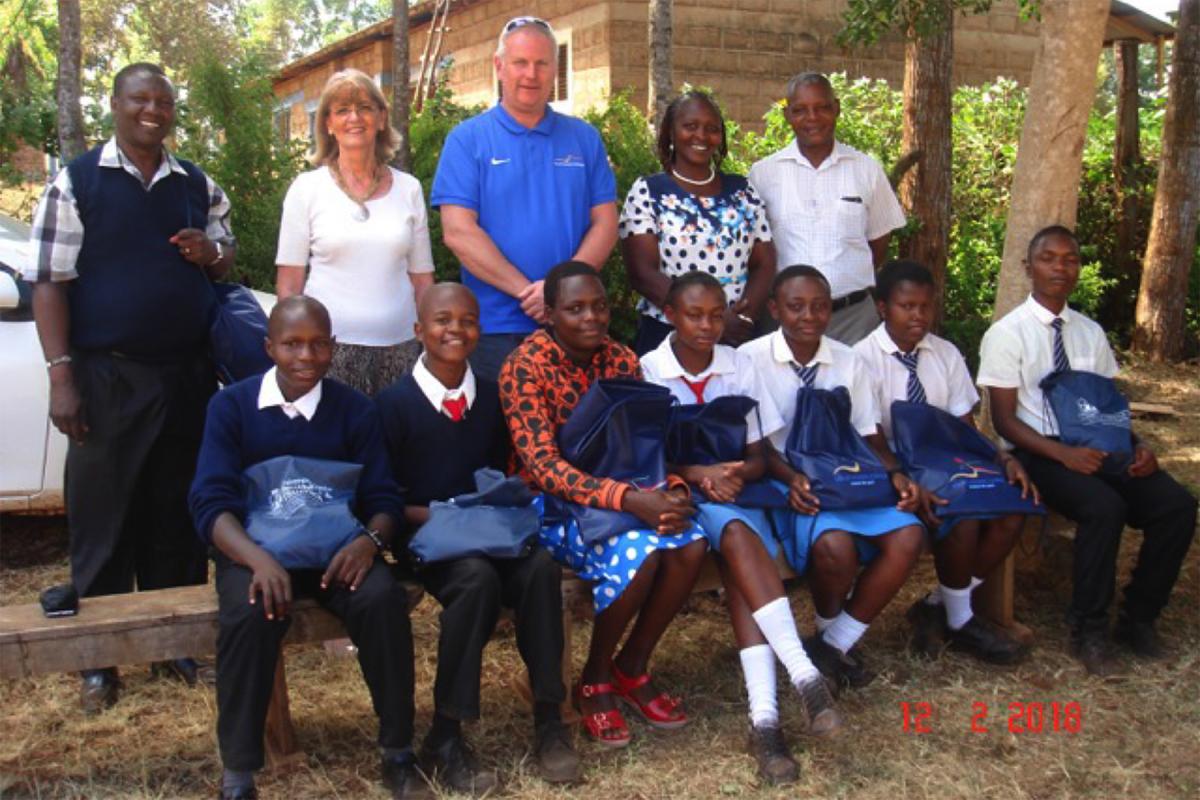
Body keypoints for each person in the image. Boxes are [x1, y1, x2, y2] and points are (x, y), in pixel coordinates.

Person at [25, 62, 235, 712]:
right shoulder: (78, 181)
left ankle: (176, 646)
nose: (152, 110)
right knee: (105, 519)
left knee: (175, 514)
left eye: (163, 101)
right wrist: (62, 376)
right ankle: (101, 661)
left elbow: (227, 258)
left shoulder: (196, 183)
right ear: (115, 105)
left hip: (186, 374)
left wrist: (211, 253)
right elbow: (49, 283)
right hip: (106, 373)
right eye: (139, 99)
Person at [189, 296, 423, 800]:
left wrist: (369, 542)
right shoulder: (231, 406)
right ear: (269, 346)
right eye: (292, 343)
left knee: (381, 600)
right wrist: (255, 559)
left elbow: (384, 497)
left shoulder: (355, 410)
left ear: (334, 348)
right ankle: (239, 772)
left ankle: (399, 752)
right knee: (248, 614)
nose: (306, 356)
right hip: (256, 551)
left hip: (336, 550)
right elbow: (210, 504)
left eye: (319, 344)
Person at [376, 283, 580, 791]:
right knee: (476, 581)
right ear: (419, 330)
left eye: (468, 320)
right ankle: (447, 732)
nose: (456, 330)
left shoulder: (490, 396)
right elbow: (380, 499)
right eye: (442, 321)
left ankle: (549, 719)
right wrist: (447, 514)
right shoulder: (391, 406)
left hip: (491, 530)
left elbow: (501, 473)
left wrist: (488, 510)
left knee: (539, 570)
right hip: (427, 538)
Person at [498, 261, 708, 748]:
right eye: (575, 309)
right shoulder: (524, 366)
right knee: (642, 549)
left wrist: (669, 487)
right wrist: (631, 500)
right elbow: (543, 465)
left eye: (599, 306)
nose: (591, 317)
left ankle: (631, 668)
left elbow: (641, 443)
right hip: (548, 504)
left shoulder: (621, 359)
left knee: (691, 543)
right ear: (548, 314)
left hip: (623, 492)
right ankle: (593, 679)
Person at [641, 272, 839, 785]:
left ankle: (766, 723)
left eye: (716, 314)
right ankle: (802, 672)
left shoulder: (740, 364)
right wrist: (699, 475)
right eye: (694, 314)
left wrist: (730, 474)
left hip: (740, 496)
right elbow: (647, 461)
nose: (708, 325)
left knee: (739, 560)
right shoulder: (649, 371)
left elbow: (757, 456)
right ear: (669, 315)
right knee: (732, 533)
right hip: (684, 501)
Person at [978, 226, 1197, 676]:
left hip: (1100, 445)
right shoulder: (1007, 333)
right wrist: (1064, 457)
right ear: (1028, 267)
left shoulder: (1089, 332)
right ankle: (1089, 630)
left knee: (1176, 505)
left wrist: (1139, 446)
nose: (1061, 267)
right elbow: (1005, 422)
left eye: (1070, 259)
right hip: (1039, 452)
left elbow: (1107, 406)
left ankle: (1138, 618)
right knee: (1103, 506)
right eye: (1049, 258)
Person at [740, 265, 926, 689]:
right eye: (796, 306)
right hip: (786, 478)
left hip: (848, 476)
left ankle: (834, 643)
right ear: (774, 309)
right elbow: (761, 445)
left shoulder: (848, 359)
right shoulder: (751, 359)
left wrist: (894, 474)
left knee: (908, 535)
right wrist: (791, 479)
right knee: (834, 546)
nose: (810, 316)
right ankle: (829, 634)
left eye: (820, 306)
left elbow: (868, 433)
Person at [853, 260, 1035, 664]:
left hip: (946, 465)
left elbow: (963, 427)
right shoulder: (861, 359)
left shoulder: (945, 353)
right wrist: (905, 477)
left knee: (1010, 510)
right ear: (883, 307)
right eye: (907, 306)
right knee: (962, 515)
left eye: (925, 306)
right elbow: (870, 439)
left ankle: (940, 605)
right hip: (892, 472)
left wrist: (1000, 458)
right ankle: (959, 621)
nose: (918, 316)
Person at [431, 16, 618, 379]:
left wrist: (560, 293)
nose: (531, 74)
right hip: (493, 331)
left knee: (574, 434)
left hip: (574, 327)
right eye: (520, 62)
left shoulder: (585, 138)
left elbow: (606, 224)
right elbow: (458, 232)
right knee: (498, 435)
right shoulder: (467, 140)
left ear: (554, 69)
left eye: (541, 63)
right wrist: (531, 293)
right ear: (499, 67)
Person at [275, 68, 435, 396]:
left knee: (396, 445)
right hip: (326, 352)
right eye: (342, 110)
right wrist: (290, 351)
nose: (354, 118)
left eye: (364, 107)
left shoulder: (409, 189)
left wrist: (430, 346)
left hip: (401, 349)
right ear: (328, 124)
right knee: (335, 447)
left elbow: (422, 280)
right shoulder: (306, 189)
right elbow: (290, 283)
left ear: (380, 118)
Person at [748, 73, 906, 345]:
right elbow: (757, 251)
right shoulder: (763, 174)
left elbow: (878, 243)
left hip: (853, 320)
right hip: (785, 321)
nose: (812, 118)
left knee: (855, 388)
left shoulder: (866, 170)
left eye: (822, 108)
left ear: (837, 108)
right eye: (800, 110)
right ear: (787, 115)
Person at [619, 90, 776, 355]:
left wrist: (741, 320)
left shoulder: (743, 191)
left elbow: (765, 263)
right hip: (670, 336)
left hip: (739, 336)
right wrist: (711, 319)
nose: (701, 136)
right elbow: (642, 273)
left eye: (711, 128)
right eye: (690, 126)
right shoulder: (649, 191)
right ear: (670, 131)